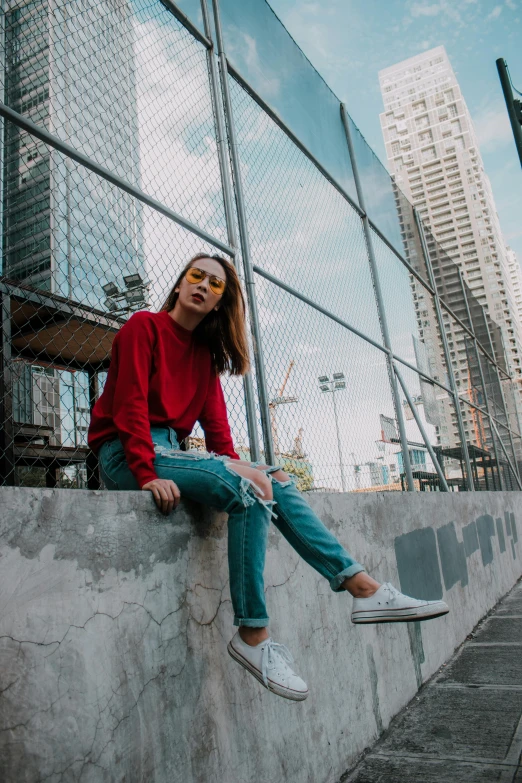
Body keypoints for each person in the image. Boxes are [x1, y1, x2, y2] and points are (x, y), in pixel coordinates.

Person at [88, 253, 449, 702]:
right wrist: (145, 472)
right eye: (196, 276)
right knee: (250, 482)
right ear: (180, 285)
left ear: (221, 302)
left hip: (171, 454)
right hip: (126, 451)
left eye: (215, 284)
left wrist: (249, 469)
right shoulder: (144, 327)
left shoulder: (204, 359)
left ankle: (362, 587)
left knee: (274, 480)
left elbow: (219, 436)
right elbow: (129, 406)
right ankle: (253, 636)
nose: (203, 285)